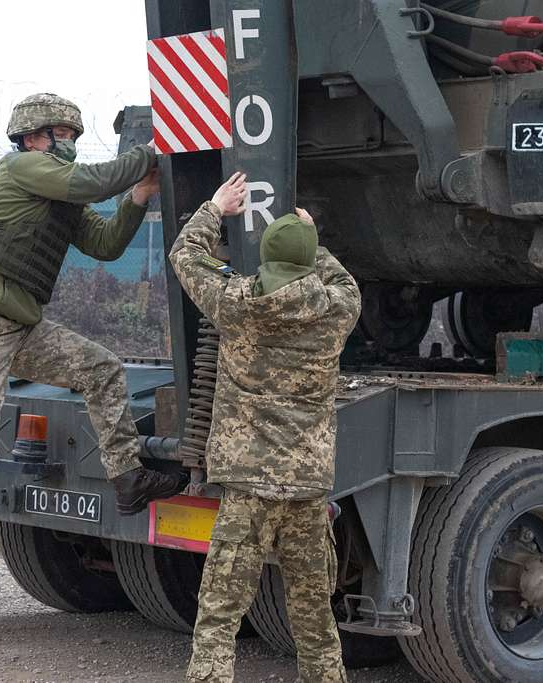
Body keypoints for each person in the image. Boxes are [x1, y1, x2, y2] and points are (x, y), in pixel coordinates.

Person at [0, 93, 189, 615]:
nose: (67, 143)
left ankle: (128, 479)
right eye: (59, 135)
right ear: (31, 138)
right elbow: (89, 182)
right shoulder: (22, 169)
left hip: (18, 323)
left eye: (72, 136)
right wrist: (153, 152)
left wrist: (138, 197)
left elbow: (106, 244)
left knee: (102, 369)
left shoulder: (60, 194)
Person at [169, 172, 361, 683]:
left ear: (267, 260)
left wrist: (214, 208)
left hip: (248, 487)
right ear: (306, 261)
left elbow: (185, 257)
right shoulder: (337, 310)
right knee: (315, 621)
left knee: (218, 616)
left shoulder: (236, 304)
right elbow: (344, 282)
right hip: (306, 489)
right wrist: (313, 240)